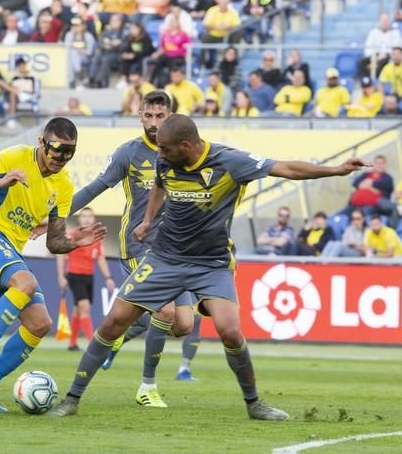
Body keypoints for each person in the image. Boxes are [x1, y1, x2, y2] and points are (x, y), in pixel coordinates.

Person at [48, 113, 368, 420]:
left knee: (230, 331)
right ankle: (72, 399)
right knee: (112, 323)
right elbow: (159, 185)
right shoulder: (166, 160)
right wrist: (147, 221)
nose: (159, 154)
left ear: (186, 146)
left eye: (165, 148)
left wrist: (335, 170)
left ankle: (254, 403)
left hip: (211, 263)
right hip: (164, 257)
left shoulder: (230, 162)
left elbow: (285, 168)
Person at [41, 91, 198, 403]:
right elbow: (95, 187)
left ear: (171, 117)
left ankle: (118, 335)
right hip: (140, 246)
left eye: (160, 116)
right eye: (149, 116)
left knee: (184, 324)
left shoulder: (185, 153)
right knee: (165, 311)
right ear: (139, 115)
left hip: (177, 249)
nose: (154, 123)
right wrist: (55, 216)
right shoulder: (129, 153)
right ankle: (147, 388)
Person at [0, 118, 107, 412]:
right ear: (42, 142)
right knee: (24, 283)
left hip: (10, 250)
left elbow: (54, 242)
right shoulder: (16, 156)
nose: (60, 161)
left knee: (40, 324)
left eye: (67, 156)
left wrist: (75, 241)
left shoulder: (63, 185)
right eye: (56, 153)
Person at [56, 207, 114, 351]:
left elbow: (100, 258)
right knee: (85, 308)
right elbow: (61, 256)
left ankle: (72, 343)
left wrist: (108, 277)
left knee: (77, 310)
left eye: (89, 216)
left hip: (89, 276)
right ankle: (93, 345)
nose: (87, 218)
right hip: (74, 275)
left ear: (94, 219)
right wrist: (61, 277)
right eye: (84, 216)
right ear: (79, 219)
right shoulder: (72, 235)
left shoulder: (96, 238)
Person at [201, 0, 241, 68]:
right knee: (204, 39)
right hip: (215, 35)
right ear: (218, 1)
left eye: (226, 1)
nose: (224, 3)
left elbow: (237, 25)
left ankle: (233, 58)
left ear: (228, 2)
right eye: (222, 1)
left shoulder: (233, 11)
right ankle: (203, 62)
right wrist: (216, 27)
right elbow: (205, 24)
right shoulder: (212, 10)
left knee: (237, 34)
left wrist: (227, 27)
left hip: (228, 35)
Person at [150, 16, 190, 88]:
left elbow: (188, 47)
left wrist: (187, 57)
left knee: (173, 63)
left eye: (174, 21)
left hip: (178, 56)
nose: (172, 23)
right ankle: (151, 82)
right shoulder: (166, 34)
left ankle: (170, 84)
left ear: (178, 23)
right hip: (167, 55)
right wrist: (156, 54)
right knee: (159, 62)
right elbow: (163, 48)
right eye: (171, 22)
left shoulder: (183, 35)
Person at [358, 13, 400, 78]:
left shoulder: (395, 33)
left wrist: (385, 55)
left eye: (386, 20)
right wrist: (375, 57)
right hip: (375, 55)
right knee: (361, 62)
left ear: (389, 22)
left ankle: (377, 82)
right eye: (383, 21)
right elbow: (368, 47)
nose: (385, 23)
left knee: (381, 63)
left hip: (388, 56)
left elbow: (397, 48)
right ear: (379, 22)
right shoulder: (373, 33)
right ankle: (366, 82)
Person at [88, 13, 124, 88]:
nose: (113, 22)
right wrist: (105, 46)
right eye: (111, 20)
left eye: (115, 21)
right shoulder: (107, 31)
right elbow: (100, 42)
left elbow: (126, 44)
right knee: (97, 56)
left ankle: (99, 81)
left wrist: (117, 45)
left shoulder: (124, 32)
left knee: (105, 59)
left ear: (120, 22)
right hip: (105, 51)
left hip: (117, 54)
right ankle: (91, 78)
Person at [119, 23, 155, 87]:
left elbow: (147, 51)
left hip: (143, 56)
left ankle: (141, 80)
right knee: (124, 59)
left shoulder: (146, 38)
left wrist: (134, 55)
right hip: (132, 56)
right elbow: (126, 47)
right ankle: (124, 79)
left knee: (142, 61)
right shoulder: (129, 38)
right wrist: (126, 54)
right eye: (132, 29)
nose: (132, 30)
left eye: (134, 29)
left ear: (139, 29)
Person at [64, 17, 96, 88]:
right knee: (70, 57)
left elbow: (89, 53)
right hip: (71, 58)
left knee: (73, 54)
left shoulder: (88, 36)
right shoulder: (69, 35)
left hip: (85, 57)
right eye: (74, 25)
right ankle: (76, 77)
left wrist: (78, 49)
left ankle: (75, 78)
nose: (75, 27)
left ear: (83, 26)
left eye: (77, 25)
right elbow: (65, 48)